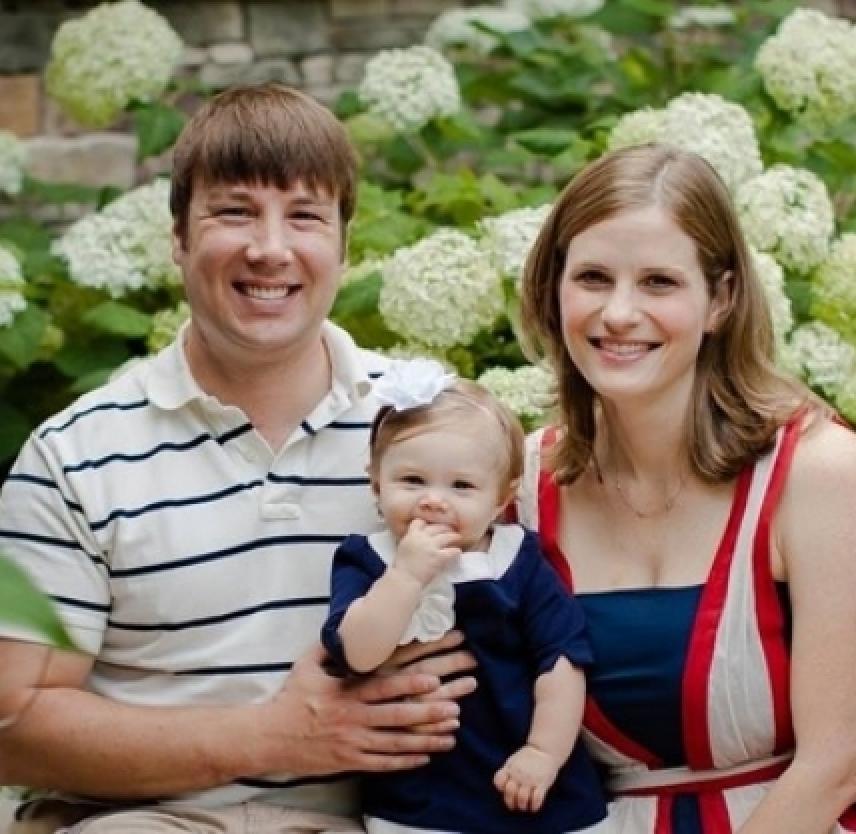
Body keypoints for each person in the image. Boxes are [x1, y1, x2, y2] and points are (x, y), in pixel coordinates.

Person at [0, 83, 476, 834]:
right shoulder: (73, 458)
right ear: (179, 238)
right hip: (141, 819)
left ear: (345, 245)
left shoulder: (429, 427)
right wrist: (272, 738)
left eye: (305, 216)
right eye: (234, 212)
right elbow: (13, 728)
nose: (270, 248)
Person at [516, 142, 856, 833]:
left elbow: (837, 762)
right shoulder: (523, 483)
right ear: (554, 289)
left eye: (658, 283)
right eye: (593, 278)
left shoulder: (818, 473)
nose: (618, 313)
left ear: (720, 299)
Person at [321, 362, 606, 834]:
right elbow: (358, 653)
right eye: (412, 480)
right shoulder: (369, 559)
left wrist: (544, 752)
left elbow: (561, 659)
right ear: (375, 482)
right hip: (423, 794)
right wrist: (406, 575)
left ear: (500, 499)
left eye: (462, 486)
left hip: (528, 779)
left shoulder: (515, 561)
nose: (434, 500)